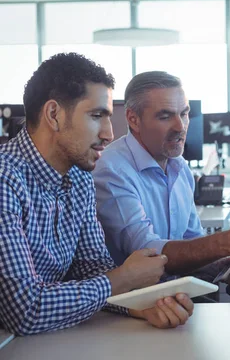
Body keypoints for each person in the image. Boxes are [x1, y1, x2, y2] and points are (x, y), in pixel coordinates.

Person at [0, 54, 194, 336]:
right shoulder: (5, 178)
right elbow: (25, 311)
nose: (108, 134)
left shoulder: (79, 177)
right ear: (54, 115)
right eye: (97, 116)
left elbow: (90, 266)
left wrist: (137, 303)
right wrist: (123, 279)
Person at [92, 71, 230, 283]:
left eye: (184, 114)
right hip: (132, 306)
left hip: (178, 299)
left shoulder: (180, 168)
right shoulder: (112, 170)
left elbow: (192, 241)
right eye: (165, 116)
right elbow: (146, 253)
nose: (180, 127)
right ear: (133, 119)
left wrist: (218, 263)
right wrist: (222, 243)